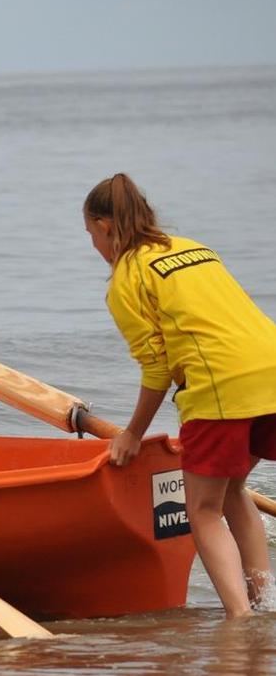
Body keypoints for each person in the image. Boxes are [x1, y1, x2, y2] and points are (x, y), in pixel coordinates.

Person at [85, 172, 276, 618]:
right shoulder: (192, 247)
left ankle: (239, 618)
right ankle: (264, 606)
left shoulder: (127, 281)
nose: (93, 246)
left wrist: (132, 434)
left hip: (222, 385)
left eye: (91, 234)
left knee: (203, 510)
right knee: (232, 492)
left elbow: (156, 369)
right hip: (271, 369)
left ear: (106, 226)